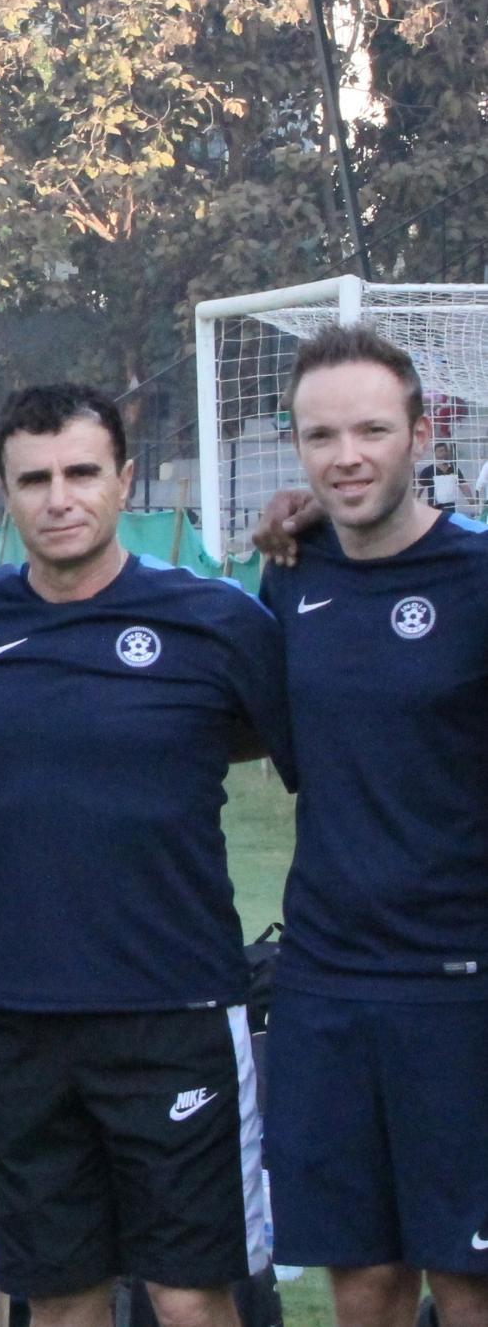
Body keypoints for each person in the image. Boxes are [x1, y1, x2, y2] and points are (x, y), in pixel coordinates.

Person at [0, 385, 286, 1327]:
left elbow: (304, 756)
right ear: (2, 494)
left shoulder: (216, 621)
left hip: (177, 1012)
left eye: (82, 472)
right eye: (33, 479)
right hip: (22, 1019)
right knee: (58, 1290)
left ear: (125, 482)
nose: (59, 497)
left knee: (191, 1290)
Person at [253, 324, 488, 1327]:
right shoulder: (289, 572)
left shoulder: (477, 578)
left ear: (420, 432)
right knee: (363, 1279)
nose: (345, 456)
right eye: (320, 436)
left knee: (470, 1280)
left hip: (462, 985)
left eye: (369, 430)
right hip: (324, 982)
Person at [425, 436, 471, 514]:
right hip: (433, 508)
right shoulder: (428, 470)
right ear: (434, 453)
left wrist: (471, 500)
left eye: (445, 451)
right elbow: (419, 489)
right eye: (441, 451)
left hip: (450, 507)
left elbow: (463, 485)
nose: (444, 453)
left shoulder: (454, 469)